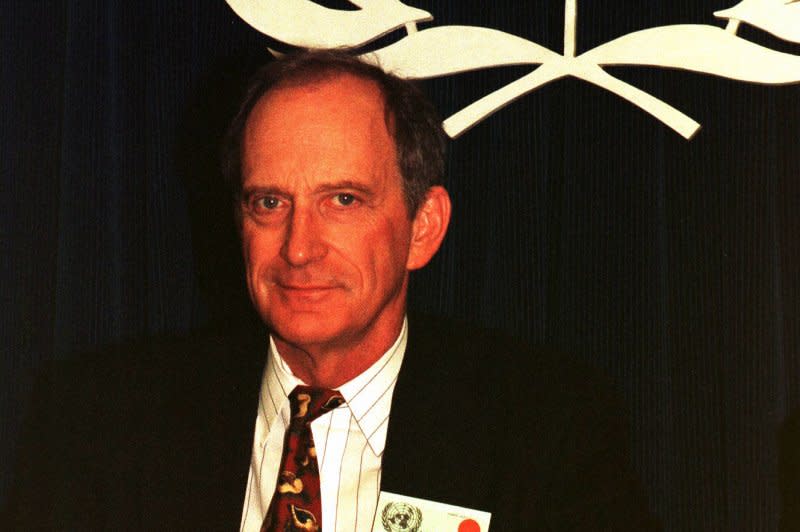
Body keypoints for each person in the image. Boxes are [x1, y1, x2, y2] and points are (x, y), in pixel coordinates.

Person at [4, 50, 659, 531]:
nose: (297, 246)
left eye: (342, 200)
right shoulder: (102, 420)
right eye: (269, 202)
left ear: (422, 228)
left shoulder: (545, 427)